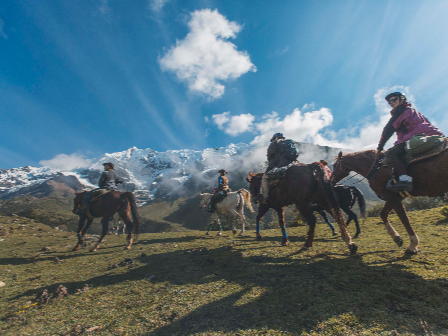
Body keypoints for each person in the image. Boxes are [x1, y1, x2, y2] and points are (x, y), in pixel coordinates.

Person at [376, 92, 444, 191]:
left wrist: (380, 146)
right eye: (389, 102)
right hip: (432, 134)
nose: (391, 102)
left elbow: (388, 129)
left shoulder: (400, 111)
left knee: (391, 154)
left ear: (402, 99)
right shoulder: (414, 111)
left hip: (415, 135)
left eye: (393, 99)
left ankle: (405, 180)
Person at [258, 133, 298, 203]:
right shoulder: (289, 143)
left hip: (281, 166)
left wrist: (269, 169)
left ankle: (265, 197)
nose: (273, 140)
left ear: (276, 138)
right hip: (293, 164)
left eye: (273, 139)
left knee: (264, 178)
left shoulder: (275, 143)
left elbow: (271, 158)